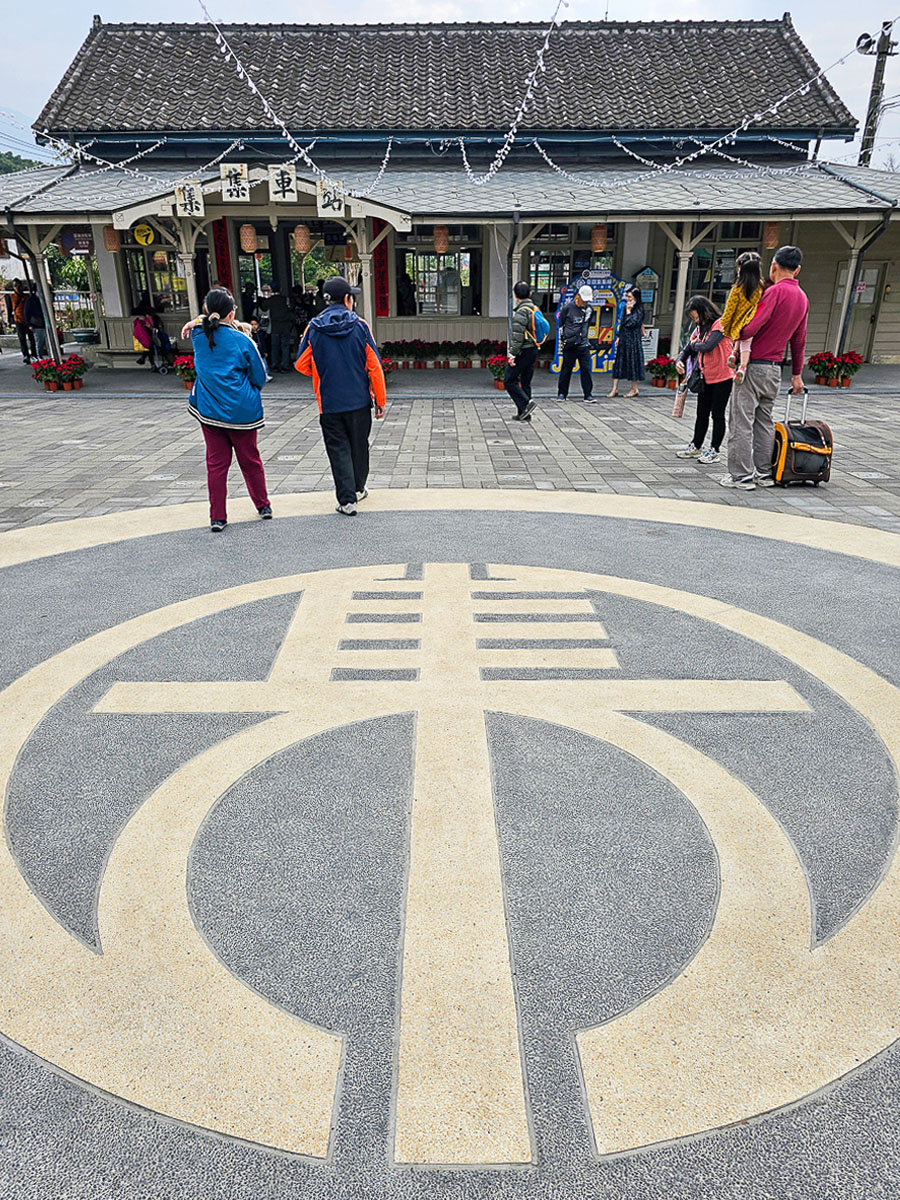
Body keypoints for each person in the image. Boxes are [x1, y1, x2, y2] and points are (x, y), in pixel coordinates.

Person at [719, 245, 808, 491]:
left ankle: (741, 476)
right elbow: (799, 340)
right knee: (764, 421)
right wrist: (797, 375)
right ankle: (764, 473)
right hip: (775, 369)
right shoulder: (802, 298)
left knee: (741, 421)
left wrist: (736, 332)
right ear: (797, 269)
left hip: (752, 366)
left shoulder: (774, 292)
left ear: (773, 266)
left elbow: (751, 327)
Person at [295, 276, 386, 516]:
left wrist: (322, 370)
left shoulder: (313, 328)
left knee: (338, 449)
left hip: (330, 402)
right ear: (347, 299)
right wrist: (380, 400)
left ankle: (347, 501)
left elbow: (301, 364)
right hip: (359, 401)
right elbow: (374, 366)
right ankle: (358, 488)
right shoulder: (361, 326)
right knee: (359, 446)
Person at [188, 287, 272, 532]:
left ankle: (217, 517)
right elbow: (259, 376)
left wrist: (197, 319)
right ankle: (262, 505)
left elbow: (199, 323)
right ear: (231, 314)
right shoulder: (242, 340)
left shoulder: (197, 336)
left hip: (209, 410)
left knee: (216, 464)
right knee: (250, 460)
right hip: (241, 411)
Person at [674, 295, 734, 465]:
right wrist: (680, 360)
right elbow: (688, 348)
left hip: (723, 377)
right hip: (705, 376)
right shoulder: (699, 328)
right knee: (701, 413)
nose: (696, 320)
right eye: (693, 318)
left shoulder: (720, 324)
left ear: (705, 311)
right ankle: (696, 445)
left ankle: (714, 450)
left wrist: (694, 346)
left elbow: (708, 346)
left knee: (717, 414)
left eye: (696, 316)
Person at [720, 251, 765, 385]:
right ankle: (742, 366)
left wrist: (723, 324)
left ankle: (738, 361)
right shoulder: (761, 287)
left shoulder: (738, 289)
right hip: (753, 321)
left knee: (741, 339)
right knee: (746, 344)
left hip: (739, 322)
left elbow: (729, 309)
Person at [505, 280, 541, 422]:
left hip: (524, 350)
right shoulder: (535, 309)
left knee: (509, 380)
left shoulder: (521, 312)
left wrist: (512, 354)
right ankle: (524, 414)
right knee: (526, 382)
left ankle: (526, 404)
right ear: (530, 294)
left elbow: (518, 337)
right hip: (534, 349)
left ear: (515, 296)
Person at [556, 284, 595, 403]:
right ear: (578, 296)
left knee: (586, 370)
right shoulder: (568, 308)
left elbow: (589, 324)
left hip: (583, 345)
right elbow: (561, 324)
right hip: (570, 344)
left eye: (587, 301)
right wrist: (564, 339)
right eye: (584, 300)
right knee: (566, 369)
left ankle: (588, 394)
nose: (585, 303)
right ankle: (562, 393)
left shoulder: (589, 309)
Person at [607, 286, 645, 398]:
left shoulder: (639, 310)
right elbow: (623, 323)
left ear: (635, 298)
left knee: (632, 363)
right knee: (618, 363)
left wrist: (629, 312)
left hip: (633, 340)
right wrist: (618, 337)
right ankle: (615, 388)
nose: (627, 299)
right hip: (624, 338)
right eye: (627, 296)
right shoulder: (625, 308)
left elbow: (632, 323)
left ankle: (634, 388)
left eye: (629, 296)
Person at [262, 284, 294, 372]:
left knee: (275, 346)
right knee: (285, 346)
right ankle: (285, 365)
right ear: (280, 289)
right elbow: (291, 308)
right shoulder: (285, 299)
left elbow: (264, 307)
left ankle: (274, 365)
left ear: (271, 289)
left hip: (275, 326)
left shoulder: (270, 300)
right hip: (285, 325)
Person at [10, 280, 34, 363]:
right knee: (22, 339)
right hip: (18, 320)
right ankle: (26, 355)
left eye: (19, 285)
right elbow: (10, 308)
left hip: (28, 320)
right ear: (13, 287)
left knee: (32, 338)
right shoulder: (11, 297)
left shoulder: (27, 296)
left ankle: (33, 354)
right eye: (16, 286)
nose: (18, 288)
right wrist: (9, 320)